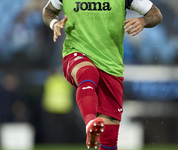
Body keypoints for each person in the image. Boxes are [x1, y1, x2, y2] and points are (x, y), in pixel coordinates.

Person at [42, 0, 162, 149]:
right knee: (88, 73)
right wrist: (54, 23)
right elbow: (48, 11)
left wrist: (142, 21)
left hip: (111, 66)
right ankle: (90, 122)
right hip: (76, 53)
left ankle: (94, 128)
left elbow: (156, 14)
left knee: (109, 141)